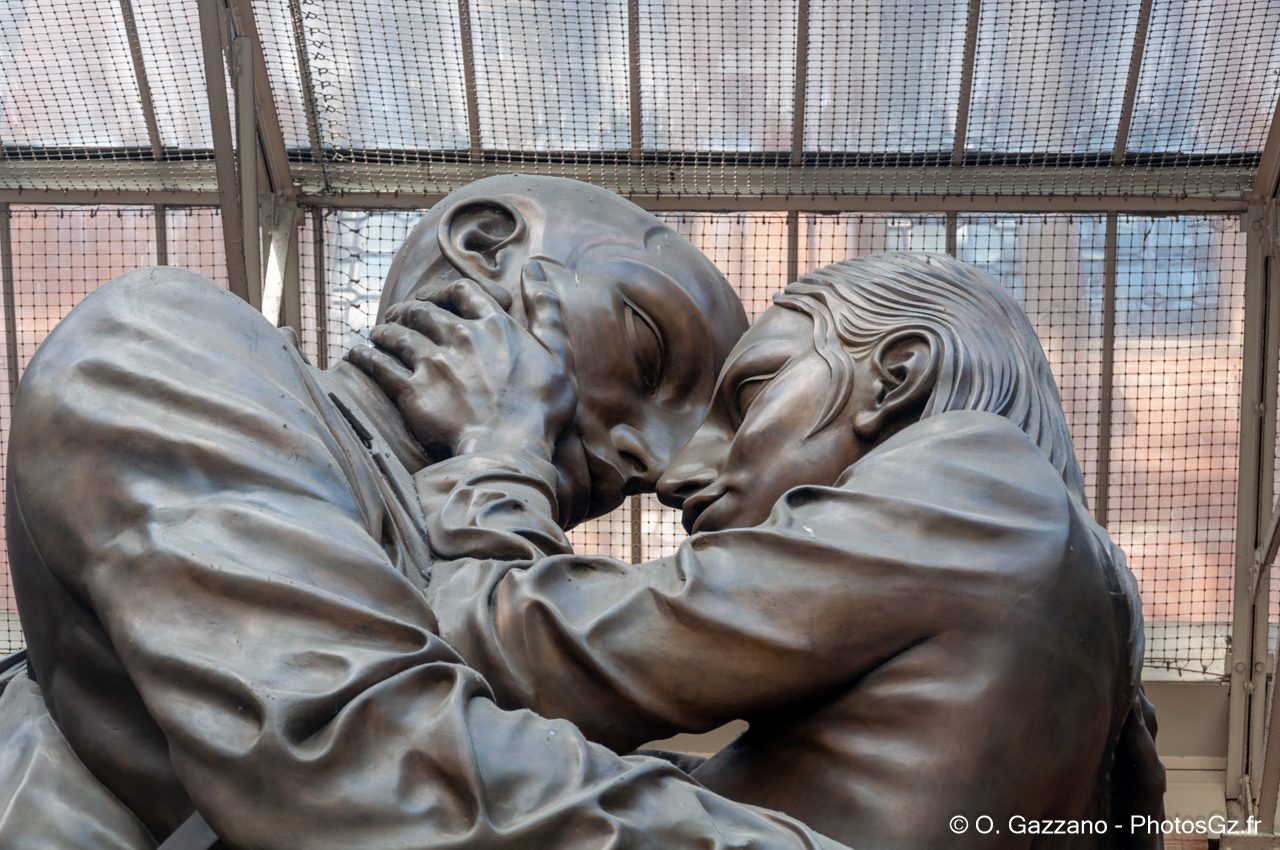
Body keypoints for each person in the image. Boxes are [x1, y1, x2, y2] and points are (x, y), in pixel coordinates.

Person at [1, 177, 852, 849]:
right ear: (486, 246)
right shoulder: (168, 339)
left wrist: (500, 466)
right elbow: (358, 757)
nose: (658, 462)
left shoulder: (482, 505)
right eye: (647, 346)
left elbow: (504, 738)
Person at [376, 252, 1165, 849]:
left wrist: (499, 447)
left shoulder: (980, 473)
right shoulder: (1107, 652)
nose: (679, 477)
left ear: (899, 376)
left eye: (747, 395)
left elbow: (521, 652)